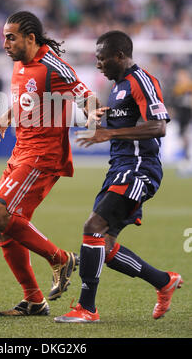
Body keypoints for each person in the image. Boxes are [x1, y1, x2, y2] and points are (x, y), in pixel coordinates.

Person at [55, 30, 183, 323]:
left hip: (139, 168)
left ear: (120, 56)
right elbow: (128, 118)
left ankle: (87, 308)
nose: (98, 64)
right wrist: (105, 116)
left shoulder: (142, 81)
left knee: (93, 227)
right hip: (120, 168)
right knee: (106, 246)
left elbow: (158, 126)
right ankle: (163, 281)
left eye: (102, 59)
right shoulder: (119, 87)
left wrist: (109, 132)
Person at [0, 11, 103, 316]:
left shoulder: (53, 66)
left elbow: (85, 94)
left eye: (11, 37)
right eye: (4, 37)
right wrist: (6, 116)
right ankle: (34, 300)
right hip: (20, 151)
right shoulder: (19, 64)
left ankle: (60, 258)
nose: (5, 43)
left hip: (42, 156)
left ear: (30, 38)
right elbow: (26, 97)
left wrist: (91, 114)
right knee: (4, 228)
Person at [171, 68, 192, 165]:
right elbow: (174, 103)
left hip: (188, 116)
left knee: (186, 135)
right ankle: (186, 156)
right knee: (183, 136)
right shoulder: (177, 88)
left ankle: (187, 157)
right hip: (182, 116)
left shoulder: (189, 87)